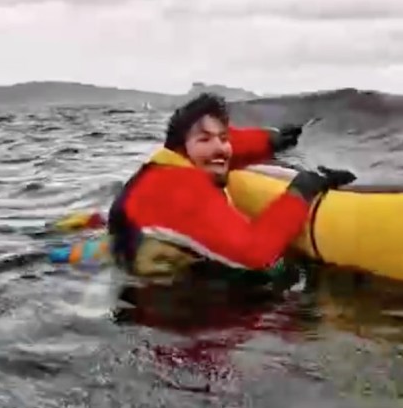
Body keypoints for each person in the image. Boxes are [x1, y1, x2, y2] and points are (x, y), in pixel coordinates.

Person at [106, 92, 356, 280]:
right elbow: (255, 254)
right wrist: (301, 191)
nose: (219, 147)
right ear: (183, 148)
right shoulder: (181, 188)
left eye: (222, 137)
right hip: (161, 301)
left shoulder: (169, 163)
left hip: (131, 252)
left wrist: (272, 140)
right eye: (204, 139)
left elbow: (227, 145)